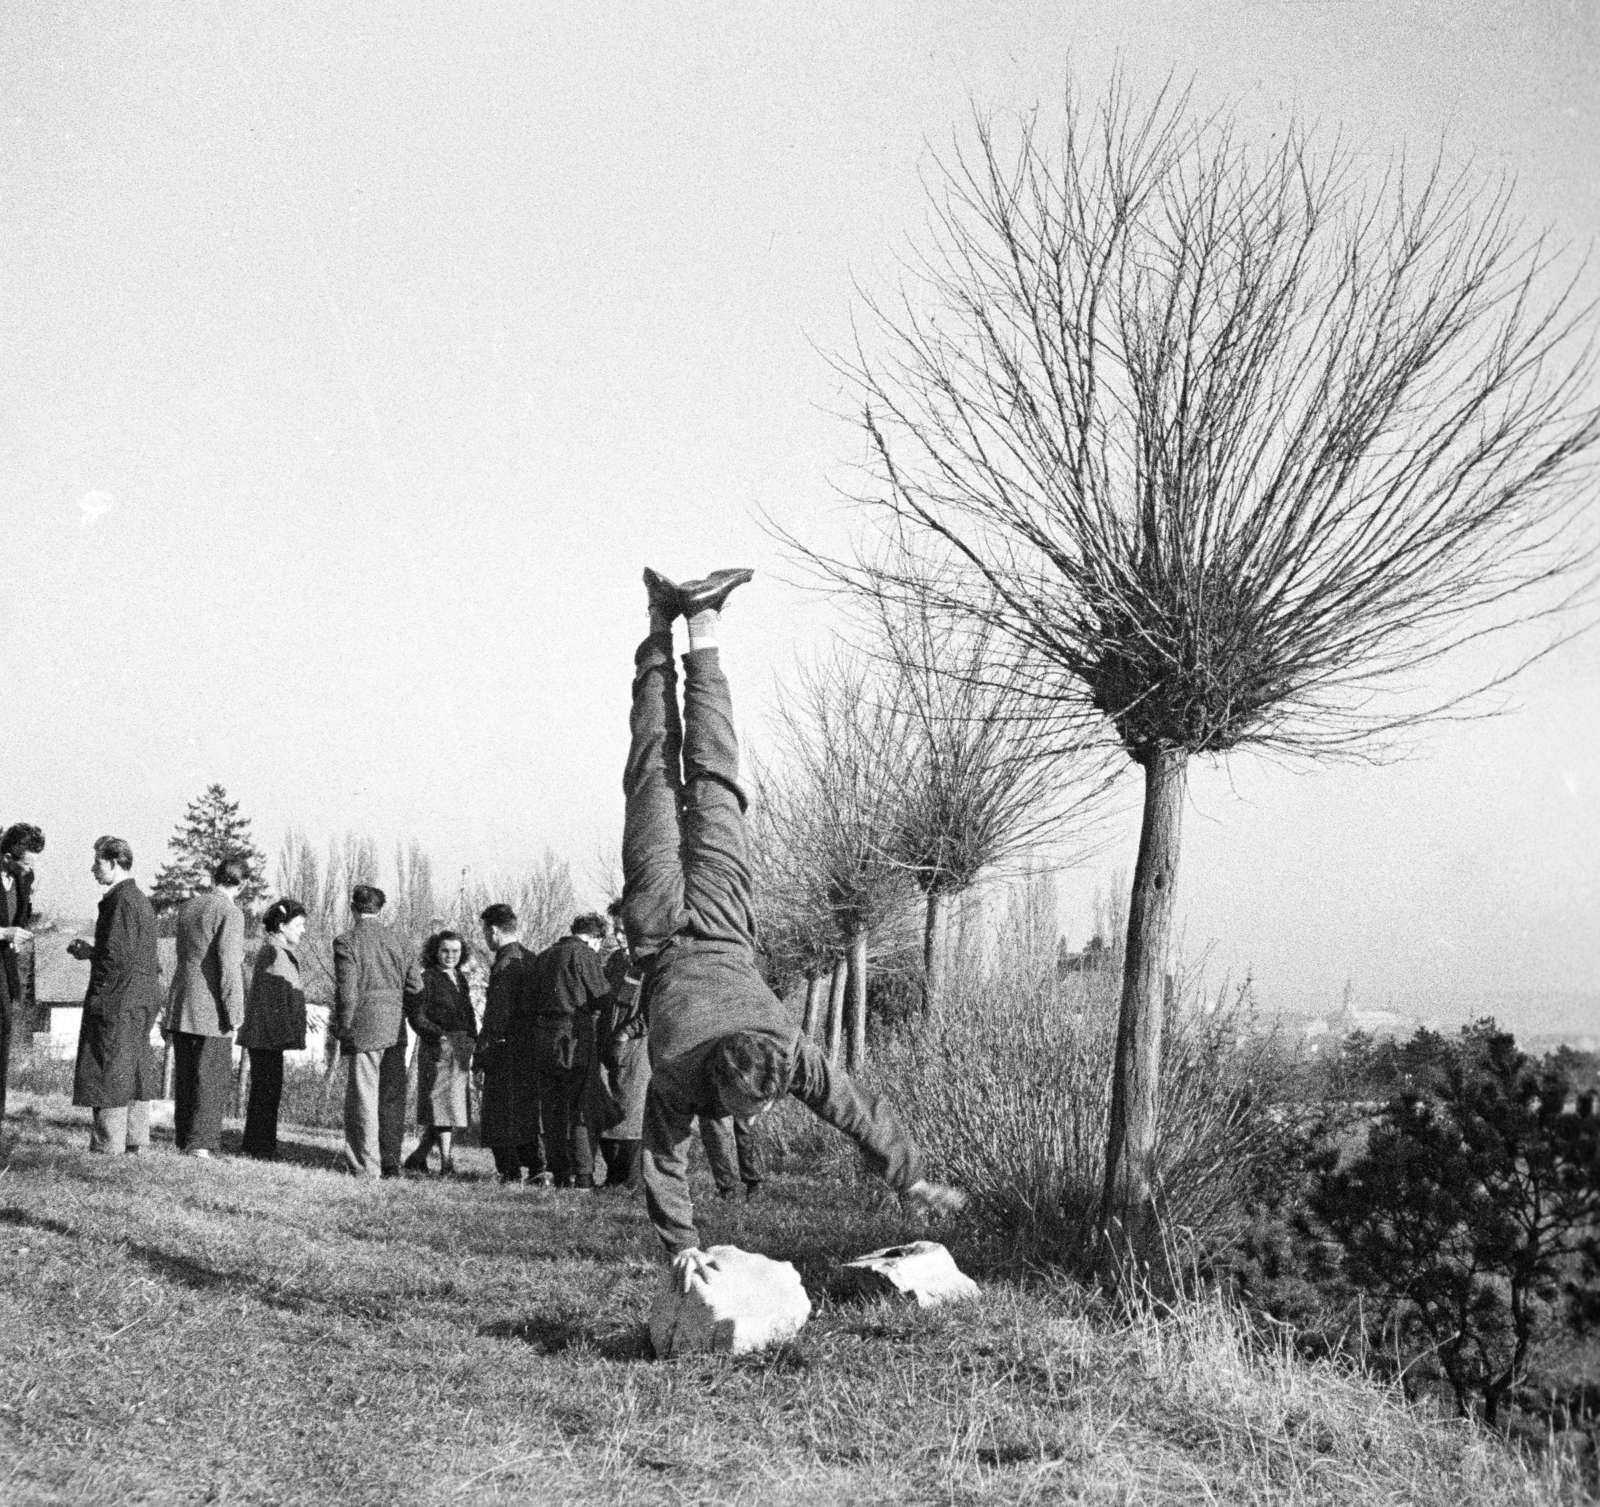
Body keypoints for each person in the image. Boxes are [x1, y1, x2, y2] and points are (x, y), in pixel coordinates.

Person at [624, 567, 965, 1282]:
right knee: (701, 776)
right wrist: (681, 1243)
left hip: (674, 923)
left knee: (667, 775)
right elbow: (661, 1156)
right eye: (747, 1107)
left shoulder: (787, 1050)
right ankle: (694, 624)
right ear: (718, 1082)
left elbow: (854, 1109)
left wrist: (909, 1178)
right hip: (701, 929)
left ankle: (677, 623)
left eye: (761, 1104)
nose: (754, 1117)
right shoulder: (681, 1074)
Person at [68, 837, 163, 1155]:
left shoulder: (120, 900)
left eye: (97, 861)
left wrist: (98, 997)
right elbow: (124, 954)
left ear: (113, 862)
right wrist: (92, 953)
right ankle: (135, 1141)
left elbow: (117, 959)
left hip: (119, 999)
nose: (93, 868)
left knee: (107, 1067)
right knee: (133, 1067)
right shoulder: (138, 898)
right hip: (141, 996)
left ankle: (108, 1145)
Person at [163, 858, 248, 1158]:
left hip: (182, 1000)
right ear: (242, 884)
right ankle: (201, 1144)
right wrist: (235, 1012)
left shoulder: (189, 908)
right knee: (210, 1078)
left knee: (186, 1076)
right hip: (211, 1007)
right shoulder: (231, 912)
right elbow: (229, 966)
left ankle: (184, 1138)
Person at [331, 884, 412, 1178]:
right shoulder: (399, 941)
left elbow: (347, 992)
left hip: (364, 1029)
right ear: (381, 908)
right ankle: (391, 1163)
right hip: (396, 1028)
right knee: (391, 1099)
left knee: (363, 1098)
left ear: (353, 908)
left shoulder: (346, 941)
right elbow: (415, 986)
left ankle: (366, 1168)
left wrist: (344, 1028)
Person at [529, 913, 610, 1189]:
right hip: (573, 1036)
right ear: (596, 938)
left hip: (542, 1036)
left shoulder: (544, 955)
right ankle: (584, 1174)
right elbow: (601, 997)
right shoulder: (584, 954)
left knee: (551, 1109)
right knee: (580, 1106)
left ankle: (558, 1171)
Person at [474, 904, 543, 1185]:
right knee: (526, 1111)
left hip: (504, 1049)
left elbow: (496, 1015)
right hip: (529, 1048)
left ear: (493, 930)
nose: (484, 938)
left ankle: (509, 1170)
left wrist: (482, 1054)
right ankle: (537, 1166)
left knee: (499, 1112)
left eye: (484, 932)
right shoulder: (531, 958)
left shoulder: (503, 963)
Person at [237, 898, 308, 1161]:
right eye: (298, 924)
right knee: (266, 1093)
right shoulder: (275, 953)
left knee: (265, 1092)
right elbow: (273, 1001)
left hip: (266, 1037)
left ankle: (258, 1145)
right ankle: (261, 1148)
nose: (303, 930)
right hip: (268, 1037)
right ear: (282, 925)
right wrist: (285, 1035)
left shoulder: (276, 952)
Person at [403, 930, 476, 1175]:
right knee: (444, 1108)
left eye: (456, 951)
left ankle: (418, 1157)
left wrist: (472, 1037)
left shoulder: (461, 979)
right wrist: (439, 1036)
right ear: (435, 951)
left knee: (450, 1108)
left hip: (461, 1048)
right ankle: (447, 1164)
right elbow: (416, 1017)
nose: (450, 956)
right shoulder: (428, 978)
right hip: (439, 1048)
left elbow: (468, 1013)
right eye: (445, 950)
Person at [595, 899, 648, 1190]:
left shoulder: (651, 964)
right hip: (608, 1044)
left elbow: (653, 1011)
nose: (619, 937)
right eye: (616, 931)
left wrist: (627, 1032)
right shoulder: (615, 962)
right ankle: (614, 1175)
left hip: (636, 1048)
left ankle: (631, 1178)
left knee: (631, 1110)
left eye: (625, 931)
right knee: (607, 1108)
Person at [0, 822, 43, 1133]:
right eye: (25, 861)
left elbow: (22, 914)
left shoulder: (24, 878)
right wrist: (5, 932)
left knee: (4, 1025)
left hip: (5, 963)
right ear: (6, 856)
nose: (29, 867)